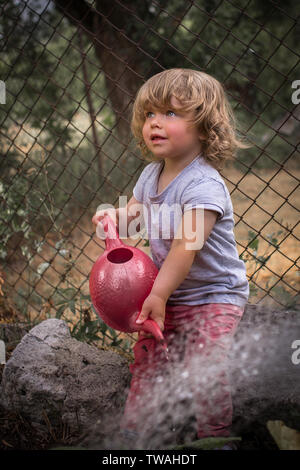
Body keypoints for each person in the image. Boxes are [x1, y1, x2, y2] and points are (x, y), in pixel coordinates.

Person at [92, 68, 249, 449]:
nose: (155, 123)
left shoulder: (203, 185)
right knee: (147, 357)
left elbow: (185, 248)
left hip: (213, 295)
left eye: (171, 114)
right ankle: (136, 434)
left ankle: (216, 439)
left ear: (205, 127)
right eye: (149, 114)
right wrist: (113, 219)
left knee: (205, 364)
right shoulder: (151, 175)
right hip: (170, 292)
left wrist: (158, 295)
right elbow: (134, 215)